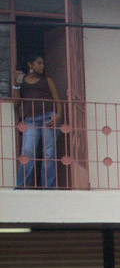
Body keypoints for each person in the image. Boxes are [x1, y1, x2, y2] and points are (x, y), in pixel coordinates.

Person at [12, 53, 63, 188]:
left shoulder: (47, 80)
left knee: (49, 154)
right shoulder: (22, 82)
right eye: (39, 63)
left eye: (43, 63)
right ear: (30, 65)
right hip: (30, 120)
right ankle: (22, 186)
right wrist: (16, 85)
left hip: (48, 117)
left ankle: (49, 187)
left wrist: (58, 116)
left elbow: (57, 101)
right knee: (27, 152)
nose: (42, 66)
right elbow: (16, 103)